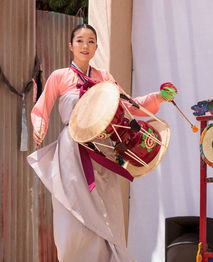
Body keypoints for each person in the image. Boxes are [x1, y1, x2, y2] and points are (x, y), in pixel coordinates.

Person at [27, 24, 177, 261]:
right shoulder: (59, 76)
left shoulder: (104, 78)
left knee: (107, 212)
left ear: (96, 47)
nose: (85, 46)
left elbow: (128, 105)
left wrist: (157, 97)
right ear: (70, 46)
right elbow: (42, 108)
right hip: (71, 151)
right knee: (71, 216)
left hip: (103, 150)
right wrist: (39, 128)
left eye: (90, 41)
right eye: (79, 41)